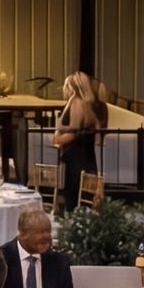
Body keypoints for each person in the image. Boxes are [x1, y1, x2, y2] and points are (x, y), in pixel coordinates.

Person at [52, 71, 106, 210]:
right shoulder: (88, 105)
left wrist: (59, 135)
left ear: (72, 87)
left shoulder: (76, 103)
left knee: (73, 192)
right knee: (83, 193)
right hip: (85, 155)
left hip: (75, 155)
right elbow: (95, 128)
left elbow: (74, 130)